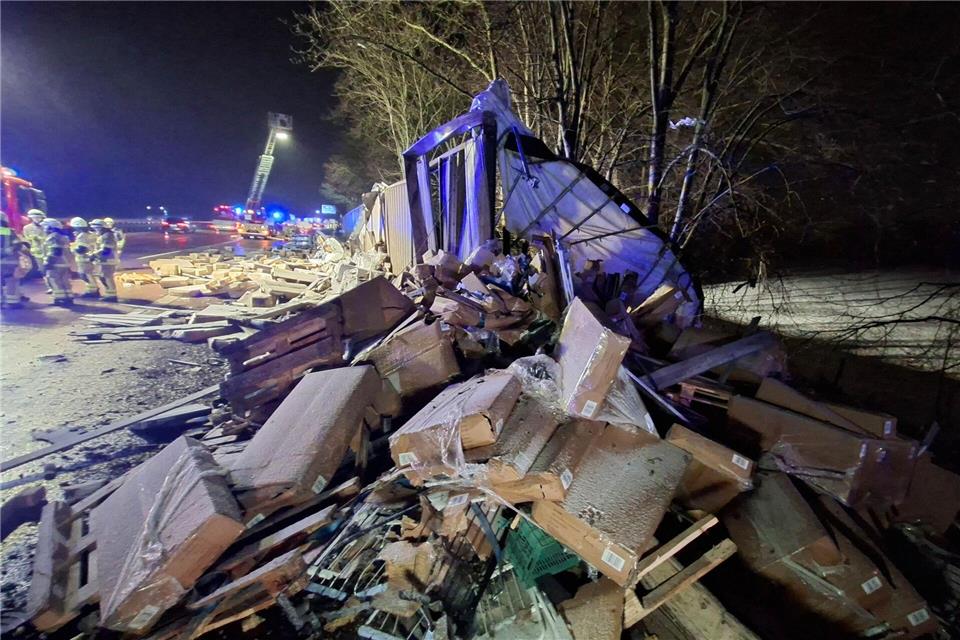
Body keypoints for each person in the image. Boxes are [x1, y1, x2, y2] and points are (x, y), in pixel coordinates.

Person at [40, 218, 73, 306]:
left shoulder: (53, 236)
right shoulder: (64, 237)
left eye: (45, 226)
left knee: (54, 280)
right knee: (64, 280)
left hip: (56, 263)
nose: (44, 229)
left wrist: (48, 262)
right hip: (64, 263)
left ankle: (60, 299)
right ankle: (69, 297)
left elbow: (55, 251)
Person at [0, 211, 29, 309]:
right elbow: (18, 244)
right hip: (9, 261)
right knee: (11, 281)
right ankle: (12, 302)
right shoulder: (8, 231)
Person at [69, 217, 100, 298]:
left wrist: (72, 248)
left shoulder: (82, 236)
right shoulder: (91, 234)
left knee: (85, 274)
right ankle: (92, 289)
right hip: (90, 257)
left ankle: (92, 290)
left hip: (84, 258)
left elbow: (81, 249)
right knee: (88, 274)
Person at [21, 209, 51, 292]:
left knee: (51, 269)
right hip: (37, 253)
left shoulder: (46, 226)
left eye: (39, 218)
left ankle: (54, 286)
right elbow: (27, 239)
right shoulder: (27, 228)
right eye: (35, 218)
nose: (37, 219)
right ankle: (49, 286)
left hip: (48, 251)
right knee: (43, 269)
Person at [89, 219, 118, 302]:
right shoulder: (104, 235)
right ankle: (109, 293)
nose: (95, 229)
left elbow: (106, 249)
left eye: (95, 227)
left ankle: (112, 295)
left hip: (109, 260)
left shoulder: (107, 235)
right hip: (105, 260)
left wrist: (94, 255)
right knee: (103, 277)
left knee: (107, 277)